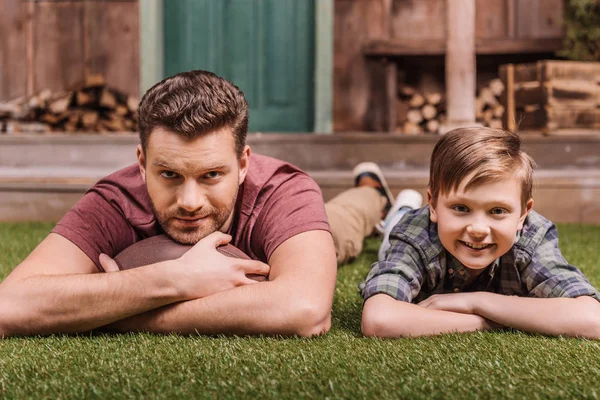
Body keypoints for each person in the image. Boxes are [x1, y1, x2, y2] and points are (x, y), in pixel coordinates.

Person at [0, 70, 342, 337]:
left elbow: (306, 309)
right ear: (142, 164)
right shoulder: (116, 199)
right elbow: (9, 305)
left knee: (349, 219)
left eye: (211, 175)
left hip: (326, 227)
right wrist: (175, 279)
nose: (190, 202)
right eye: (169, 175)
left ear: (242, 165)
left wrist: (119, 312)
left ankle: (372, 190)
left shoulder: (285, 190)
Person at [360, 127, 600, 339]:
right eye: (461, 208)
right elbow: (379, 319)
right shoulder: (416, 235)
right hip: (410, 228)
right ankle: (399, 210)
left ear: (522, 215)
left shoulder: (532, 236)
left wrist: (476, 301)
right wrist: (489, 321)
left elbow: (593, 318)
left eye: (497, 210)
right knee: (393, 232)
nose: (477, 229)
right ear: (433, 204)